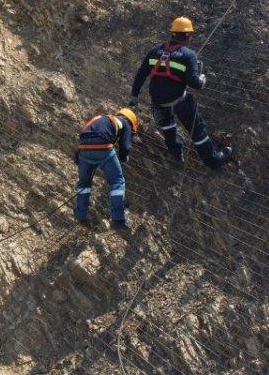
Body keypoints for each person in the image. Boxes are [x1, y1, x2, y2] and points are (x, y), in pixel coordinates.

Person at [129, 17, 234, 169]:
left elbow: (141, 74)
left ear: (173, 33)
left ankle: (176, 154)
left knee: (168, 126)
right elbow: (195, 83)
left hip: (157, 101)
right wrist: (203, 78)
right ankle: (213, 160)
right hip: (179, 101)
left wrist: (134, 95)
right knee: (197, 130)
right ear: (187, 36)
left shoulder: (155, 50)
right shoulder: (188, 55)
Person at [74, 108, 139, 231]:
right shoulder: (125, 123)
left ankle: (81, 214)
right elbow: (125, 147)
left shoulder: (100, 118)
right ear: (131, 122)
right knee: (117, 181)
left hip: (83, 149)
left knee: (84, 183)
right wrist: (124, 158)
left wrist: (80, 155)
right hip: (102, 147)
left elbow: (83, 135)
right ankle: (118, 218)